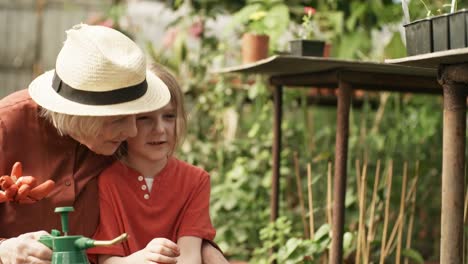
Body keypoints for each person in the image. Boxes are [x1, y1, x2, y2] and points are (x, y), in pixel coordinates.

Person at [0, 24, 228, 264]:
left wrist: (203, 247)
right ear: (78, 115)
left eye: (138, 115)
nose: (132, 131)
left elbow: (172, 201)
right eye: (119, 118)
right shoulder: (6, 126)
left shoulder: (119, 143)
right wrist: (5, 250)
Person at [88, 63, 217, 263]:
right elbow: (108, 260)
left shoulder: (196, 181)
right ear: (125, 121)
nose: (159, 129)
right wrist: (142, 259)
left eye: (169, 116)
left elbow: (190, 257)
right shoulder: (108, 181)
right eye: (145, 118)